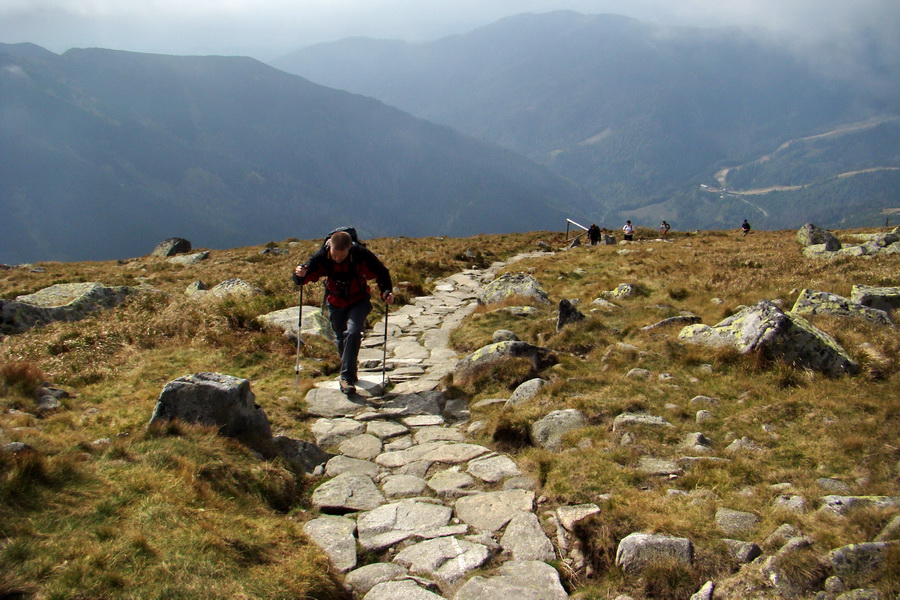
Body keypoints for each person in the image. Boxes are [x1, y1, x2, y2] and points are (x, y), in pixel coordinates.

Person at [293, 230, 394, 395]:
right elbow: (304, 276)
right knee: (340, 338)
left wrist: (386, 292)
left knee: (353, 332)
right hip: (335, 302)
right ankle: (350, 373)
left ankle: (345, 377)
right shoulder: (322, 256)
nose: (337, 258)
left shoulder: (361, 254)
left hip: (359, 300)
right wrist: (299, 275)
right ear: (330, 247)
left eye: (341, 256)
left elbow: (382, 272)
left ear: (349, 249)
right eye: (334, 254)